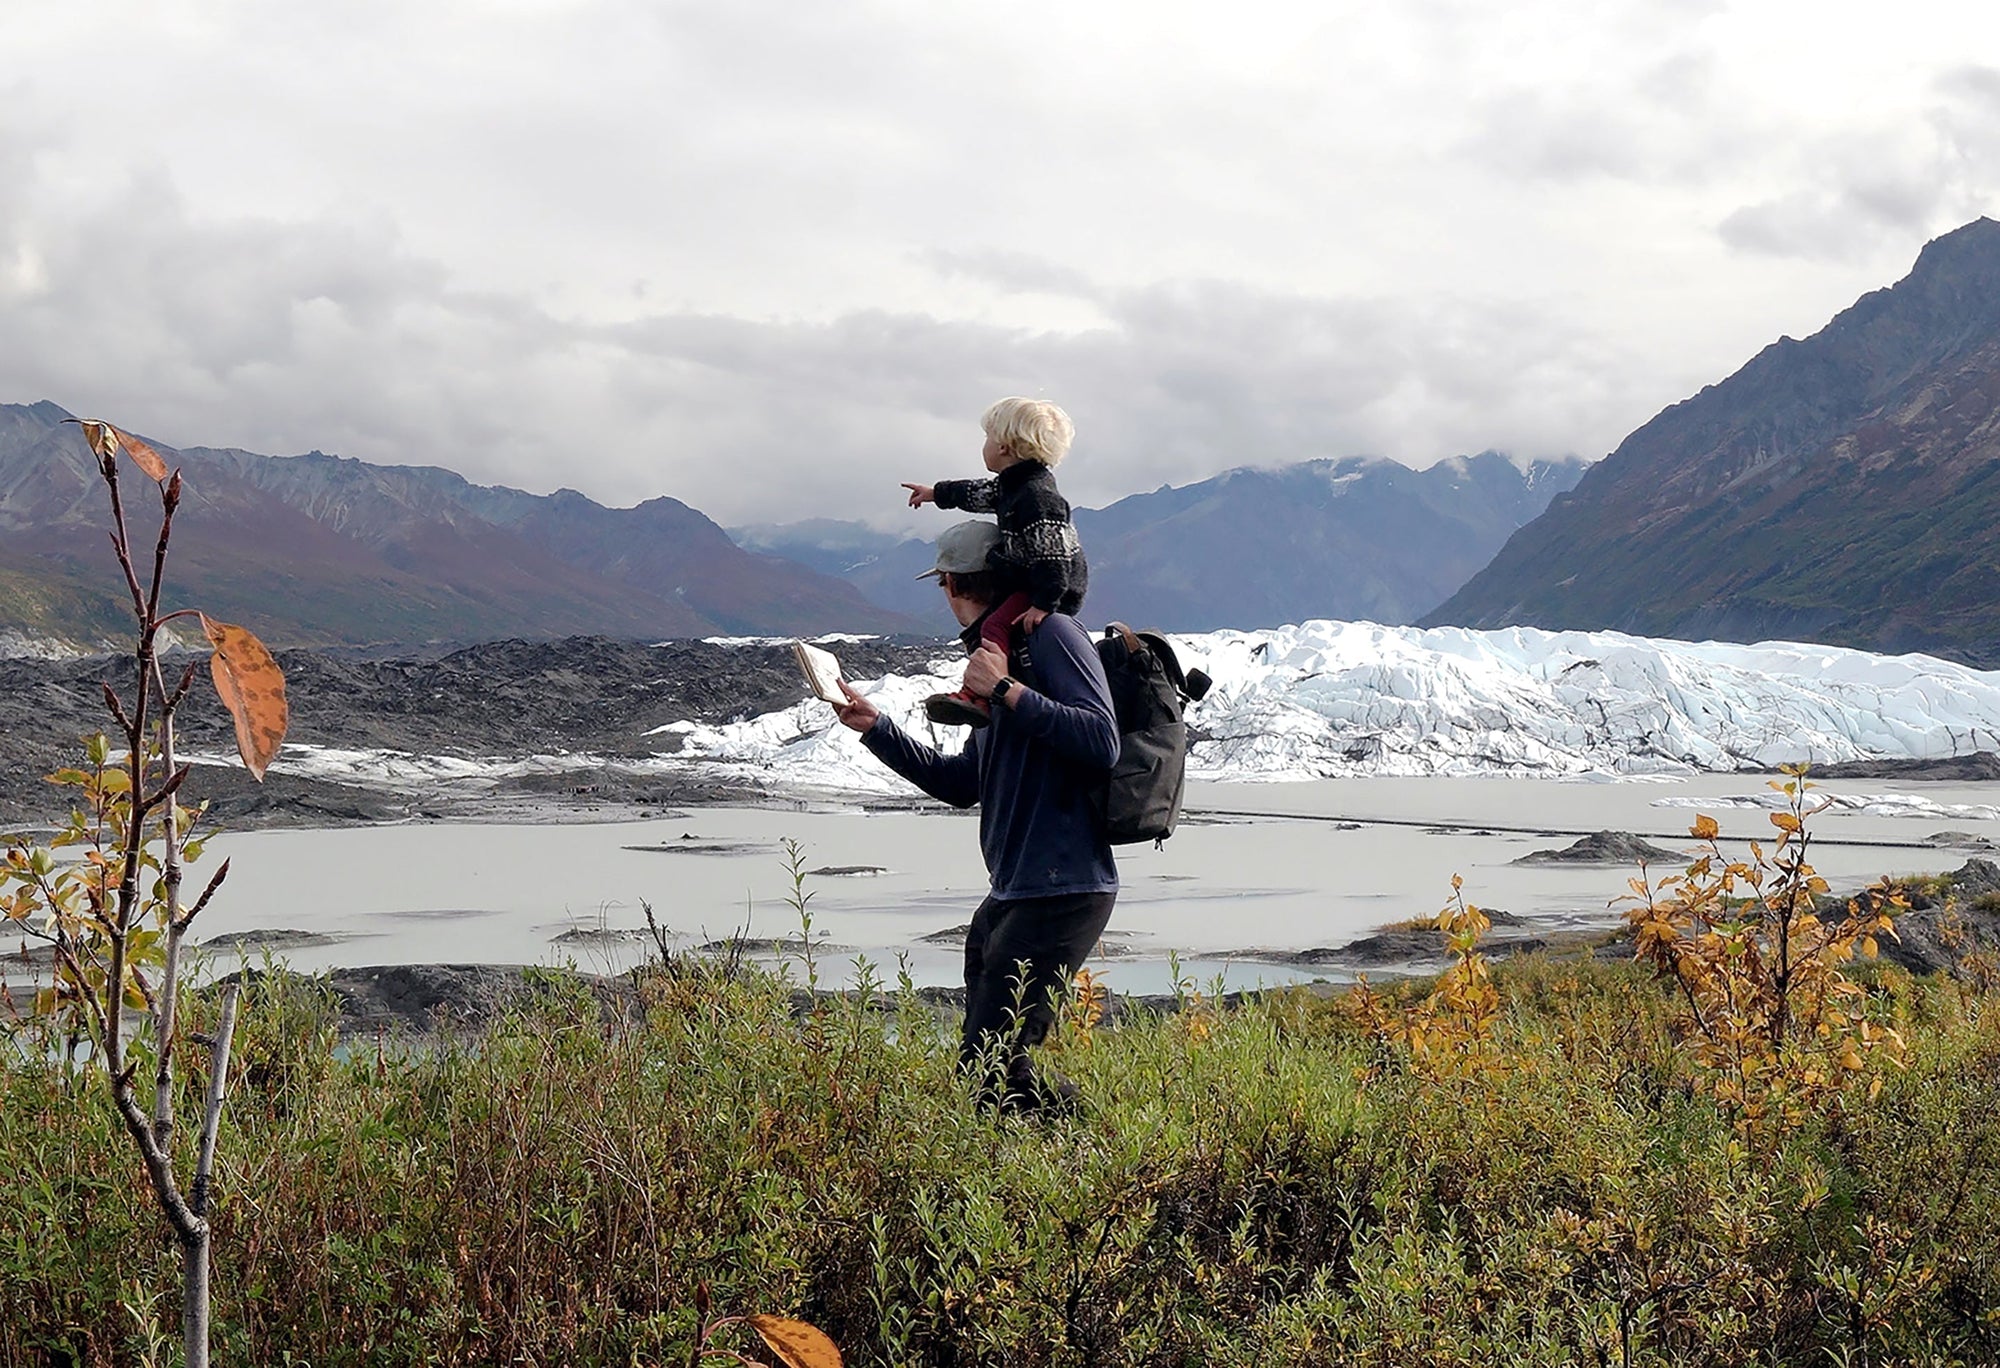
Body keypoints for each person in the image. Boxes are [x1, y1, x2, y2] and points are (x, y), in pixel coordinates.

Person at [831, 520, 1119, 1115]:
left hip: (1062, 889)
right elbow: (964, 784)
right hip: (1015, 891)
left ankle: (1083, 1147)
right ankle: (1084, 1139)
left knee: (986, 1067)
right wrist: (877, 729)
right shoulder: (998, 654)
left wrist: (1007, 689)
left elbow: (1102, 740)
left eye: (944, 584)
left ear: (953, 584)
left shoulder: (1051, 634)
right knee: (996, 1064)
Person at [901, 397, 1088, 728]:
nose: (984, 444)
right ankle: (977, 693)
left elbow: (1053, 557)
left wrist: (1045, 603)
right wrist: (935, 493)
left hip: (1047, 588)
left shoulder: (1037, 497)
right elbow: (976, 494)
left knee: (993, 626)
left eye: (988, 437)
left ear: (1004, 446)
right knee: (994, 623)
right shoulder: (1014, 487)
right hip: (1036, 582)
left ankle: (987, 690)